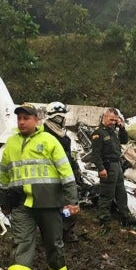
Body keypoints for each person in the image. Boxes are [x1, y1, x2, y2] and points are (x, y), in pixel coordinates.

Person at [0, 103, 80, 270]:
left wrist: (72, 201)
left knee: (53, 244)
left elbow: (66, 173)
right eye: (19, 118)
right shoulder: (11, 144)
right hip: (22, 204)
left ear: (37, 120)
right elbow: (4, 175)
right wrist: (4, 203)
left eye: (26, 118)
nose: (21, 122)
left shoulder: (50, 142)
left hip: (49, 204)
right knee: (21, 245)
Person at [44, 101, 82, 243]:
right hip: (50, 176)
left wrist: (75, 168)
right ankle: (53, 233)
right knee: (53, 207)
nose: (62, 118)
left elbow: (67, 155)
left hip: (65, 174)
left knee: (70, 204)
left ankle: (66, 230)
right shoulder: (44, 133)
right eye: (59, 116)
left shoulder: (63, 133)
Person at [90, 107, 130, 225]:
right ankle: (104, 217)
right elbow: (96, 154)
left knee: (121, 191)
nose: (113, 122)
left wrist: (121, 127)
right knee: (107, 192)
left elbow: (124, 141)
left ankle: (125, 216)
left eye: (115, 120)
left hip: (117, 164)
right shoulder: (98, 133)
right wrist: (101, 168)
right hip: (107, 165)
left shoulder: (113, 131)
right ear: (104, 116)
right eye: (111, 119)